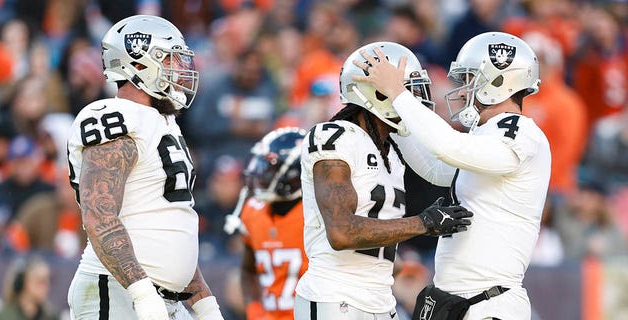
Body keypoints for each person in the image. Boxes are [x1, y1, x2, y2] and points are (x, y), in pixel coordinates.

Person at [355, 32, 550, 319]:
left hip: (489, 303)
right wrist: (395, 119)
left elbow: (449, 148)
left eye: (470, 79)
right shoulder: (486, 136)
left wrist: (399, 95)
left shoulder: (522, 132)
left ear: (498, 81)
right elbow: (436, 168)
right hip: (459, 302)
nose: (461, 91)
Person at [293, 41, 474, 320]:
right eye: (404, 90)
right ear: (377, 93)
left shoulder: (391, 146)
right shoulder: (334, 136)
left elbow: (444, 167)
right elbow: (341, 232)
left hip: (380, 299)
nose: (414, 100)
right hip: (335, 297)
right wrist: (423, 223)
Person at [65, 15, 223, 320]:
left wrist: (204, 303)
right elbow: (99, 216)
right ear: (138, 64)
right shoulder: (114, 115)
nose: (181, 69)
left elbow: (171, 228)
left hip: (164, 299)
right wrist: (142, 294)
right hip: (119, 291)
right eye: (171, 60)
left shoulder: (165, 122)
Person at [225, 127, 309, 320]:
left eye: (269, 168)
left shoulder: (316, 216)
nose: (260, 174)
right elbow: (248, 270)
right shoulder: (253, 211)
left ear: (294, 174)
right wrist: (254, 310)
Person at [0, 256, 58, 320]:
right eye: (40, 281)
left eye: (48, 281)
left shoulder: (51, 316)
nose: (46, 287)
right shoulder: (3, 317)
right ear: (22, 282)